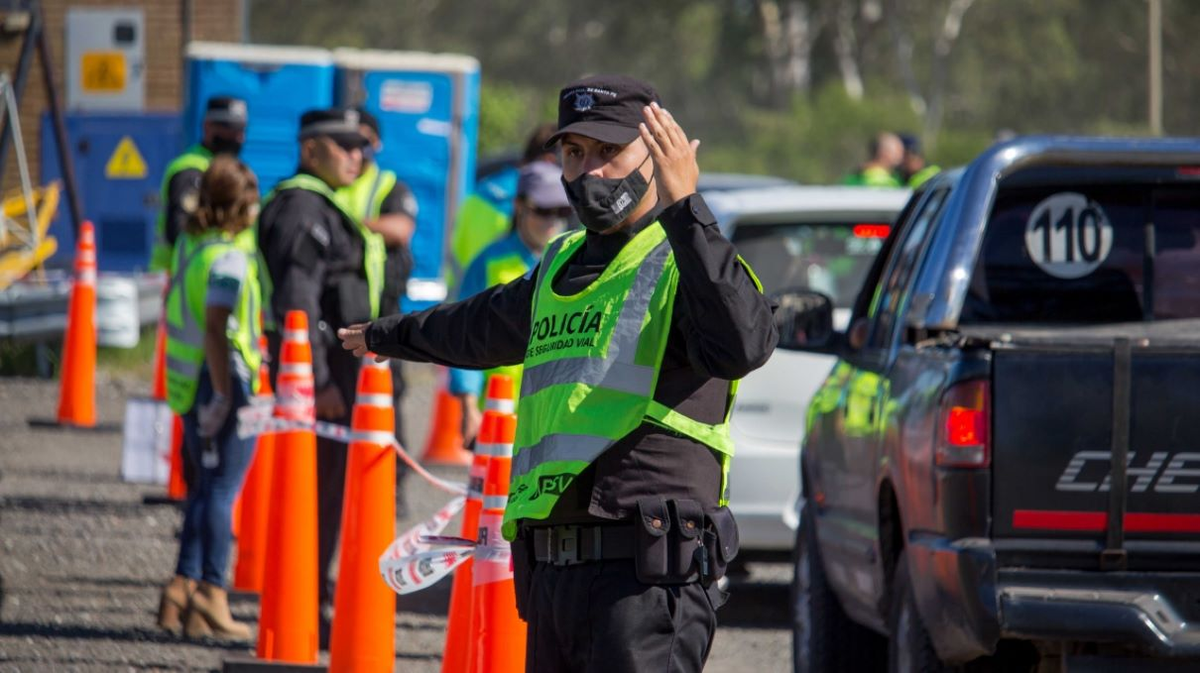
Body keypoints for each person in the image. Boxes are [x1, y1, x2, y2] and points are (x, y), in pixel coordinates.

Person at [340, 75, 777, 671]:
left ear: (658, 153)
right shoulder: (561, 262)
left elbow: (744, 343)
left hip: (644, 580)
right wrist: (387, 335)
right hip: (552, 576)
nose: (590, 170)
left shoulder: (684, 257)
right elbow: (479, 325)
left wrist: (686, 209)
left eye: (608, 151)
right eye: (574, 152)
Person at [255, 108, 383, 627]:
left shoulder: (320, 205)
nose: (358, 155)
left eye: (361, 147)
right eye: (344, 145)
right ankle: (306, 607)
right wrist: (323, 383)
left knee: (328, 494)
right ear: (310, 149)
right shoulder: (302, 208)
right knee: (317, 496)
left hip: (331, 371)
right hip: (321, 378)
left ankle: (312, 598)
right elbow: (298, 302)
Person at [156, 155, 263, 641]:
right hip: (224, 382)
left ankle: (183, 588)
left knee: (203, 488)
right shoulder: (230, 256)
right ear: (242, 205)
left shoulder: (188, 246)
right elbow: (218, 329)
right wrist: (223, 394)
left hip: (189, 382)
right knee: (223, 490)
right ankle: (213, 592)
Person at [448, 160, 572, 446]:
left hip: (556, 418)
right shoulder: (488, 262)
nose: (552, 220)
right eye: (543, 210)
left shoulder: (576, 260)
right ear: (519, 206)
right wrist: (468, 405)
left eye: (562, 210)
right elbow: (465, 334)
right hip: (498, 417)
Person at [335, 106, 420, 511]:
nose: (356, 149)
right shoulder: (330, 183)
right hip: (338, 310)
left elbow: (401, 228)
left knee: (387, 393)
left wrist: (350, 226)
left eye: (363, 138)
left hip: (382, 310)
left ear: (376, 142)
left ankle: (392, 484)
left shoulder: (388, 185)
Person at [447, 123, 558, 286]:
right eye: (573, 155)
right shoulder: (522, 204)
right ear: (549, 161)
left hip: (460, 298)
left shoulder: (482, 191)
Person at [150, 96, 249, 273]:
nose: (239, 137)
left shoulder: (229, 170)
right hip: (180, 277)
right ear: (208, 127)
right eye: (231, 129)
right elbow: (180, 230)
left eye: (242, 130)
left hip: (210, 274)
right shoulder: (191, 170)